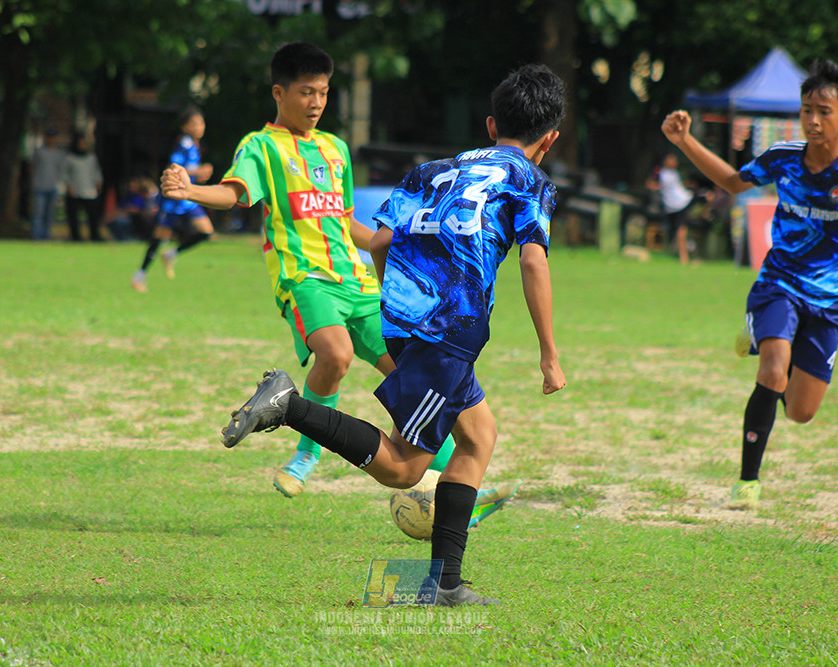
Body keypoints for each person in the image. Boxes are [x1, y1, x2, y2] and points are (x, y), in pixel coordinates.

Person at [216, 63, 567, 606]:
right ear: (551, 139)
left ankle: (443, 585)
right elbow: (534, 264)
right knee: (405, 467)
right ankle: (290, 406)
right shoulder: (530, 180)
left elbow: (378, 245)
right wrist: (549, 354)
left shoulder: (431, 170)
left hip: (402, 315)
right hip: (449, 327)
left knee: (478, 437)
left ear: (492, 126)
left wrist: (400, 313)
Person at [161, 43, 518, 518]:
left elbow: (346, 219)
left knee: (419, 386)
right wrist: (191, 192)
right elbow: (236, 194)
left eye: (324, 93)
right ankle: (307, 454)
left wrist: (392, 247)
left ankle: (459, 493)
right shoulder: (260, 146)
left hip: (357, 282)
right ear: (279, 92)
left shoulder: (336, 149)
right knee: (336, 352)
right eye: (306, 92)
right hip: (305, 278)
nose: (315, 102)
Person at [662, 59, 838, 510]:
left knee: (800, 412)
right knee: (772, 368)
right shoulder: (784, 157)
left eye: (824, 111)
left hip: (830, 301)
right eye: (807, 109)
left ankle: (762, 336)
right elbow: (731, 181)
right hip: (780, 283)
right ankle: (748, 480)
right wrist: (684, 139)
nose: (813, 120)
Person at [132, 108, 214, 292]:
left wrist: (196, 176)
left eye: (201, 123)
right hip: (174, 199)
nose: (199, 127)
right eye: (194, 123)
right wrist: (197, 172)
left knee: (206, 231)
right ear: (185, 127)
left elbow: (187, 170)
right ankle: (139, 276)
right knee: (159, 237)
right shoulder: (183, 144)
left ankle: (171, 254)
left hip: (187, 197)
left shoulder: (194, 145)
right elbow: (173, 167)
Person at [62, 131, 105, 242]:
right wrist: (68, 186)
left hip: (89, 191)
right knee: (73, 216)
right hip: (75, 191)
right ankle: (76, 237)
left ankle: (95, 235)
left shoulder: (91, 157)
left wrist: (98, 182)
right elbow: (65, 174)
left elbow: (96, 172)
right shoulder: (69, 158)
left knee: (93, 216)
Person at [30, 126, 65, 241]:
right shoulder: (39, 151)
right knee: (38, 214)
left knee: (49, 215)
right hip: (40, 186)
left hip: (53, 187)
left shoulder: (60, 153)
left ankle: (46, 236)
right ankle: (37, 237)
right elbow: (32, 167)